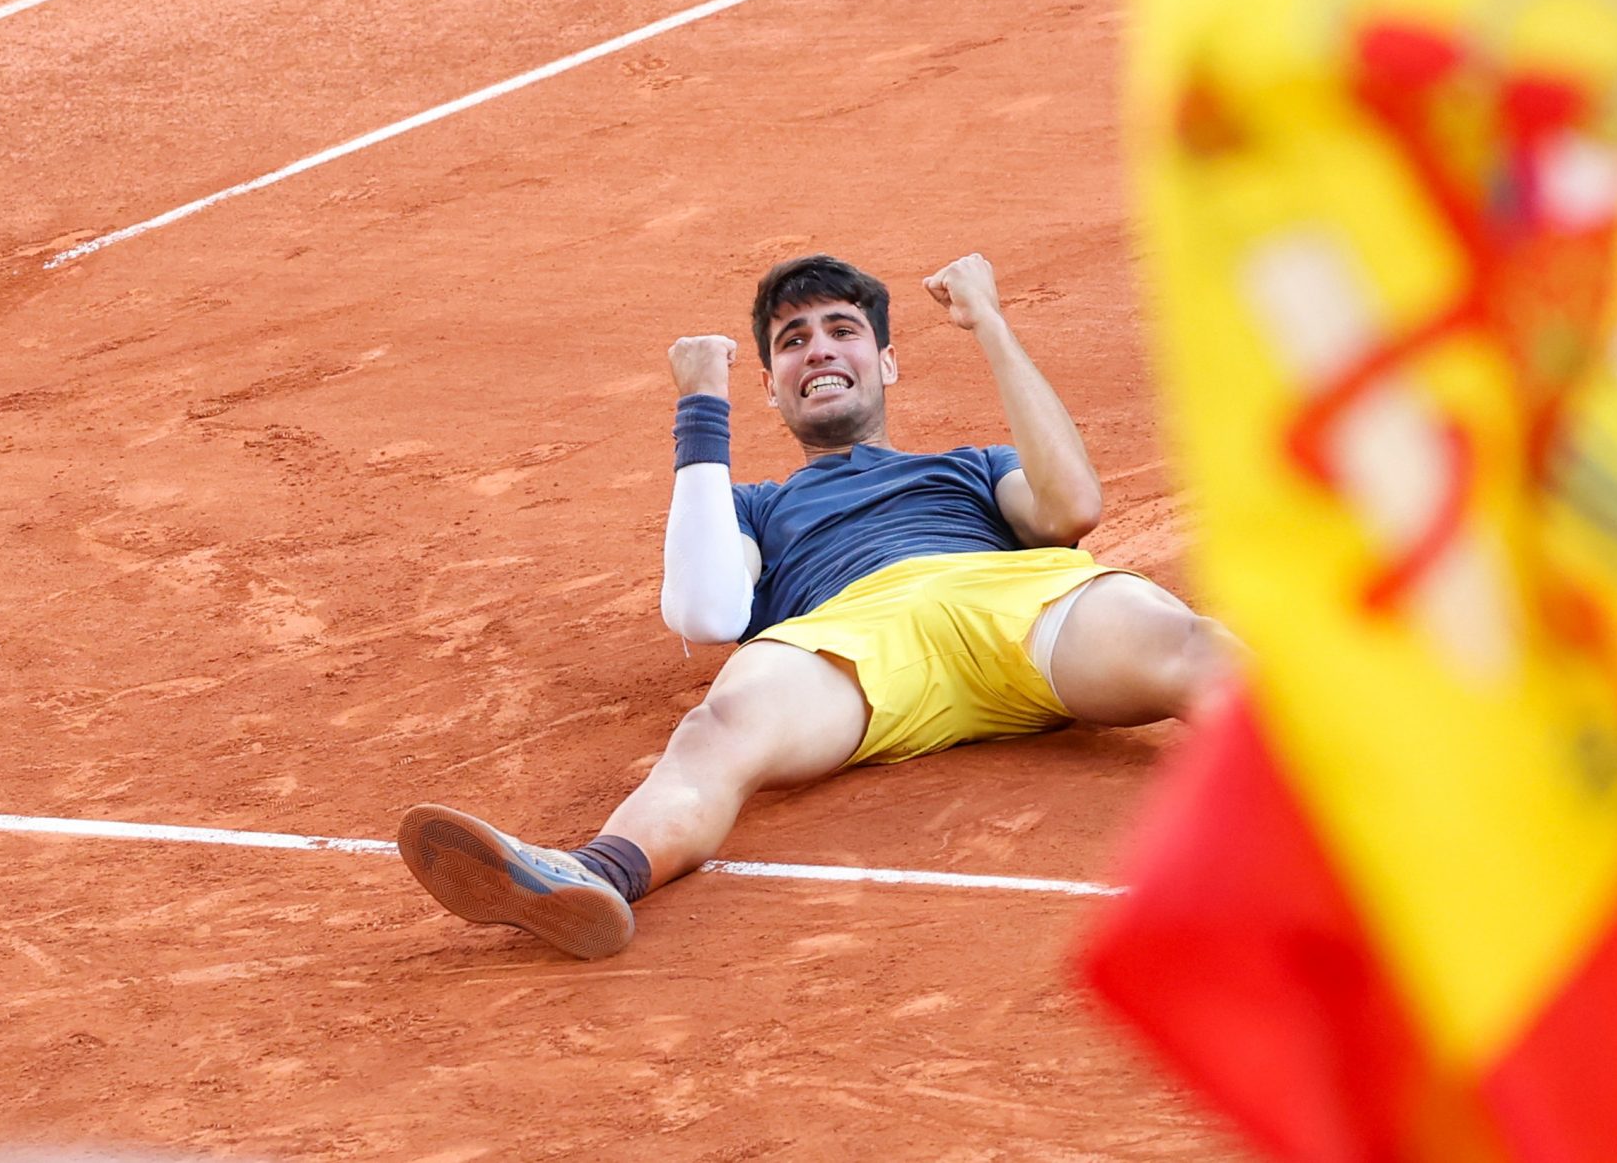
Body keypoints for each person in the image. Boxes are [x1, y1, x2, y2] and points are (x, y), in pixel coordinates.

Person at [396, 251, 1233, 958]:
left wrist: (989, 320)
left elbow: (1071, 508)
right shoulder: (755, 508)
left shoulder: (975, 467)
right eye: (792, 341)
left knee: (1193, 643)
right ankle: (595, 875)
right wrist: (700, 410)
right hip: (849, 648)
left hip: (1012, 606)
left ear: (888, 361)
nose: (818, 350)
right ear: (771, 385)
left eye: (843, 330)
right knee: (718, 729)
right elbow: (706, 611)